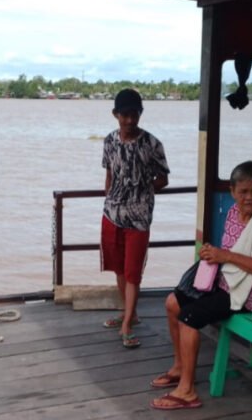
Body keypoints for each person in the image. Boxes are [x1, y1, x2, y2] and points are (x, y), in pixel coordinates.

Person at [149, 160, 252, 410]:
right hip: (229, 282)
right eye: (243, 191)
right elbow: (231, 252)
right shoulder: (232, 213)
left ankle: (187, 391)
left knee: (189, 317)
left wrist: (225, 256)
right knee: (173, 302)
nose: (250, 197)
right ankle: (179, 367)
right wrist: (213, 254)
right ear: (232, 192)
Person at [101, 88, 170, 348]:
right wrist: (110, 197)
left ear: (141, 114)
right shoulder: (108, 142)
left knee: (133, 273)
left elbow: (163, 178)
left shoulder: (153, 144)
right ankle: (129, 314)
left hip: (139, 218)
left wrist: (142, 190)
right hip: (112, 215)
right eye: (125, 115)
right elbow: (108, 175)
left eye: (135, 115)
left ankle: (128, 324)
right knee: (119, 268)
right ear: (115, 115)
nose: (130, 120)